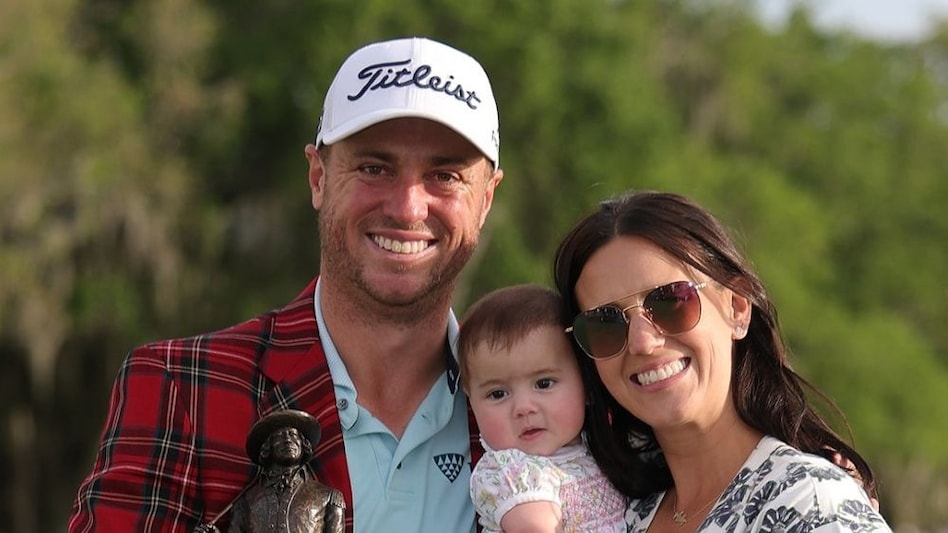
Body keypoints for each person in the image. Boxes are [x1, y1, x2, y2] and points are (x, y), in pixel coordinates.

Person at [69, 36, 504, 533]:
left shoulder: (543, 409)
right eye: (373, 168)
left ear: (486, 200)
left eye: (444, 175)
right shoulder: (179, 388)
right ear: (318, 178)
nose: (407, 208)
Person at [552, 190, 891, 532]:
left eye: (670, 301)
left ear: (737, 307)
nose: (643, 342)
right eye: (604, 322)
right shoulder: (601, 511)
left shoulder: (812, 506)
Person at [457, 284, 626, 533]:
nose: (523, 408)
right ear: (470, 400)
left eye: (543, 383)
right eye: (497, 394)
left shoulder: (597, 450)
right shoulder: (511, 472)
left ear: (587, 385)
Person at [228, 410, 345, 533]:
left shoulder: (328, 497)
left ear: (303, 444)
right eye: (279, 436)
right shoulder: (246, 501)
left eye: (293, 435)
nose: (288, 440)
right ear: (267, 448)